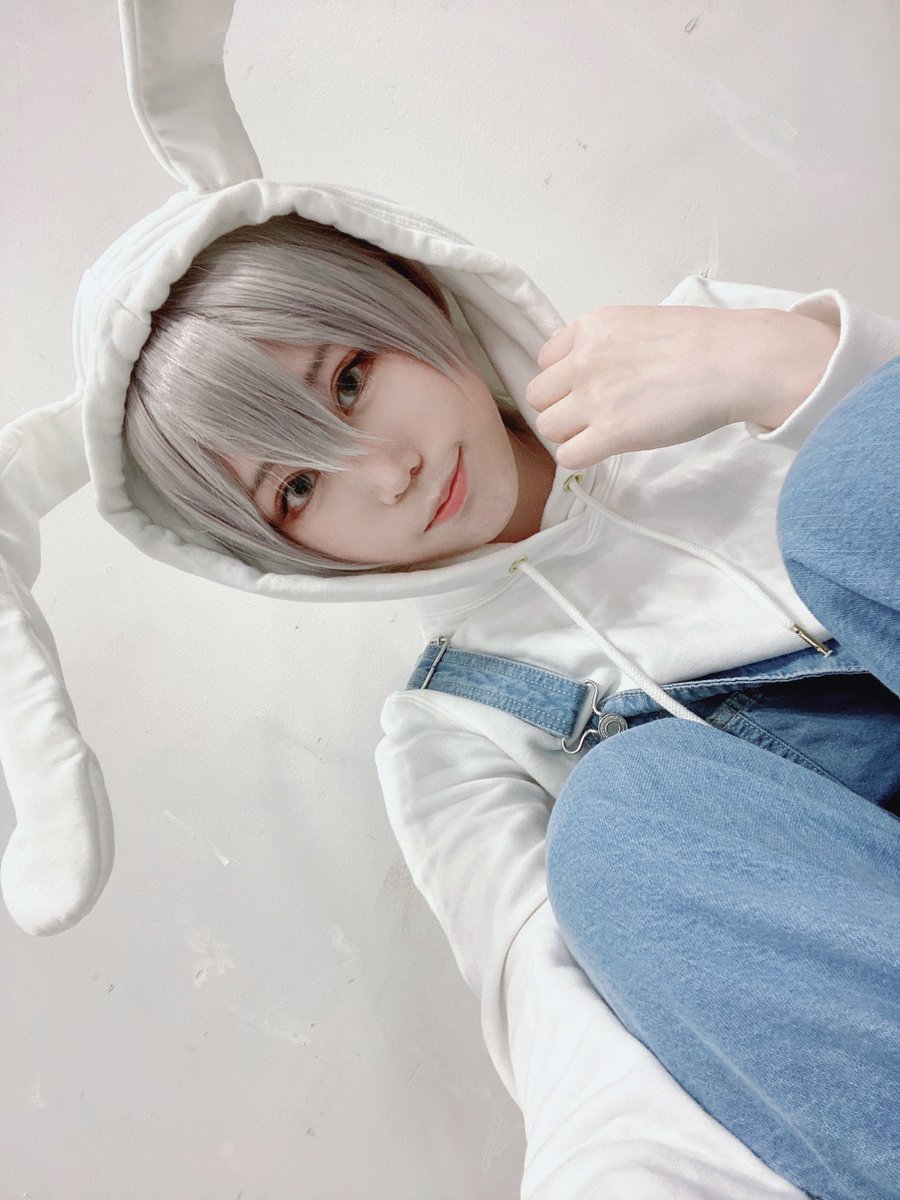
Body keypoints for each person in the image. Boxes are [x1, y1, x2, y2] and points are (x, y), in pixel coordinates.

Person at [123, 211, 900, 1200]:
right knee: (624, 814)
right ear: (282, 555)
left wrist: (786, 367)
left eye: (349, 380)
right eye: (300, 487)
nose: (388, 473)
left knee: (845, 486)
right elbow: (570, 1045)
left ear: (415, 291)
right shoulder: (449, 736)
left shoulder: (690, 344)